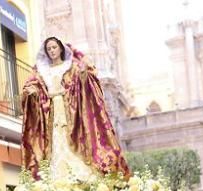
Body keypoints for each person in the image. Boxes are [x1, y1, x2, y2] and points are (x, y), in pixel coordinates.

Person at [21, 36, 130, 180]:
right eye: (49, 49)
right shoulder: (41, 71)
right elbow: (32, 84)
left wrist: (85, 73)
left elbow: (84, 78)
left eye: (54, 47)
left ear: (60, 48)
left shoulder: (71, 67)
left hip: (72, 111)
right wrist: (31, 91)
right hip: (50, 113)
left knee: (72, 137)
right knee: (55, 139)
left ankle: (79, 174)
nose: (52, 51)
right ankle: (56, 176)